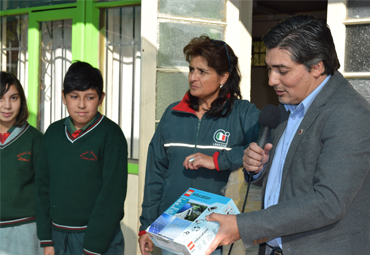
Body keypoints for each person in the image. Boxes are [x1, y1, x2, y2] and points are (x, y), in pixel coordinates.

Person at [204, 14, 370, 255]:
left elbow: (328, 202)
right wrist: (259, 168)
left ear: (317, 67)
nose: (271, 80)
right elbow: (284, 181)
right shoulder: (285, 107)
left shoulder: (350, 115)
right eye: (270, 68)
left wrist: (244, 226)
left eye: (282, 70)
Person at [138, 35, 261, 255]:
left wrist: (217, 161)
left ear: (223, 76)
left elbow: (265, 148)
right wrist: (146, 227)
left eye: (202, 72)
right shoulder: (172, 114)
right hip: (171, 230)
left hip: (215, 234)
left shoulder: (244, 113)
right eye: (191, 69)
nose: (193, 77)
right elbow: (155, 175)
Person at [35, 61, 128, 255]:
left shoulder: (111, 135)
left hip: (98, 239)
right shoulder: (52, 133)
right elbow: (42, 187)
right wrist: (46, 240)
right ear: (63, 97)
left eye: (90, 97)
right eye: (74, 96)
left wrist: (92, 247)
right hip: (57, 237)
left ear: (101, 98)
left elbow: (112, 196)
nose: (82, 105)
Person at [0, 71, 43, 254]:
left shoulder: (35, 139)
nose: (7, 105)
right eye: (0, 98)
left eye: (14, 98)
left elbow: (45, 189)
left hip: (25, 232)